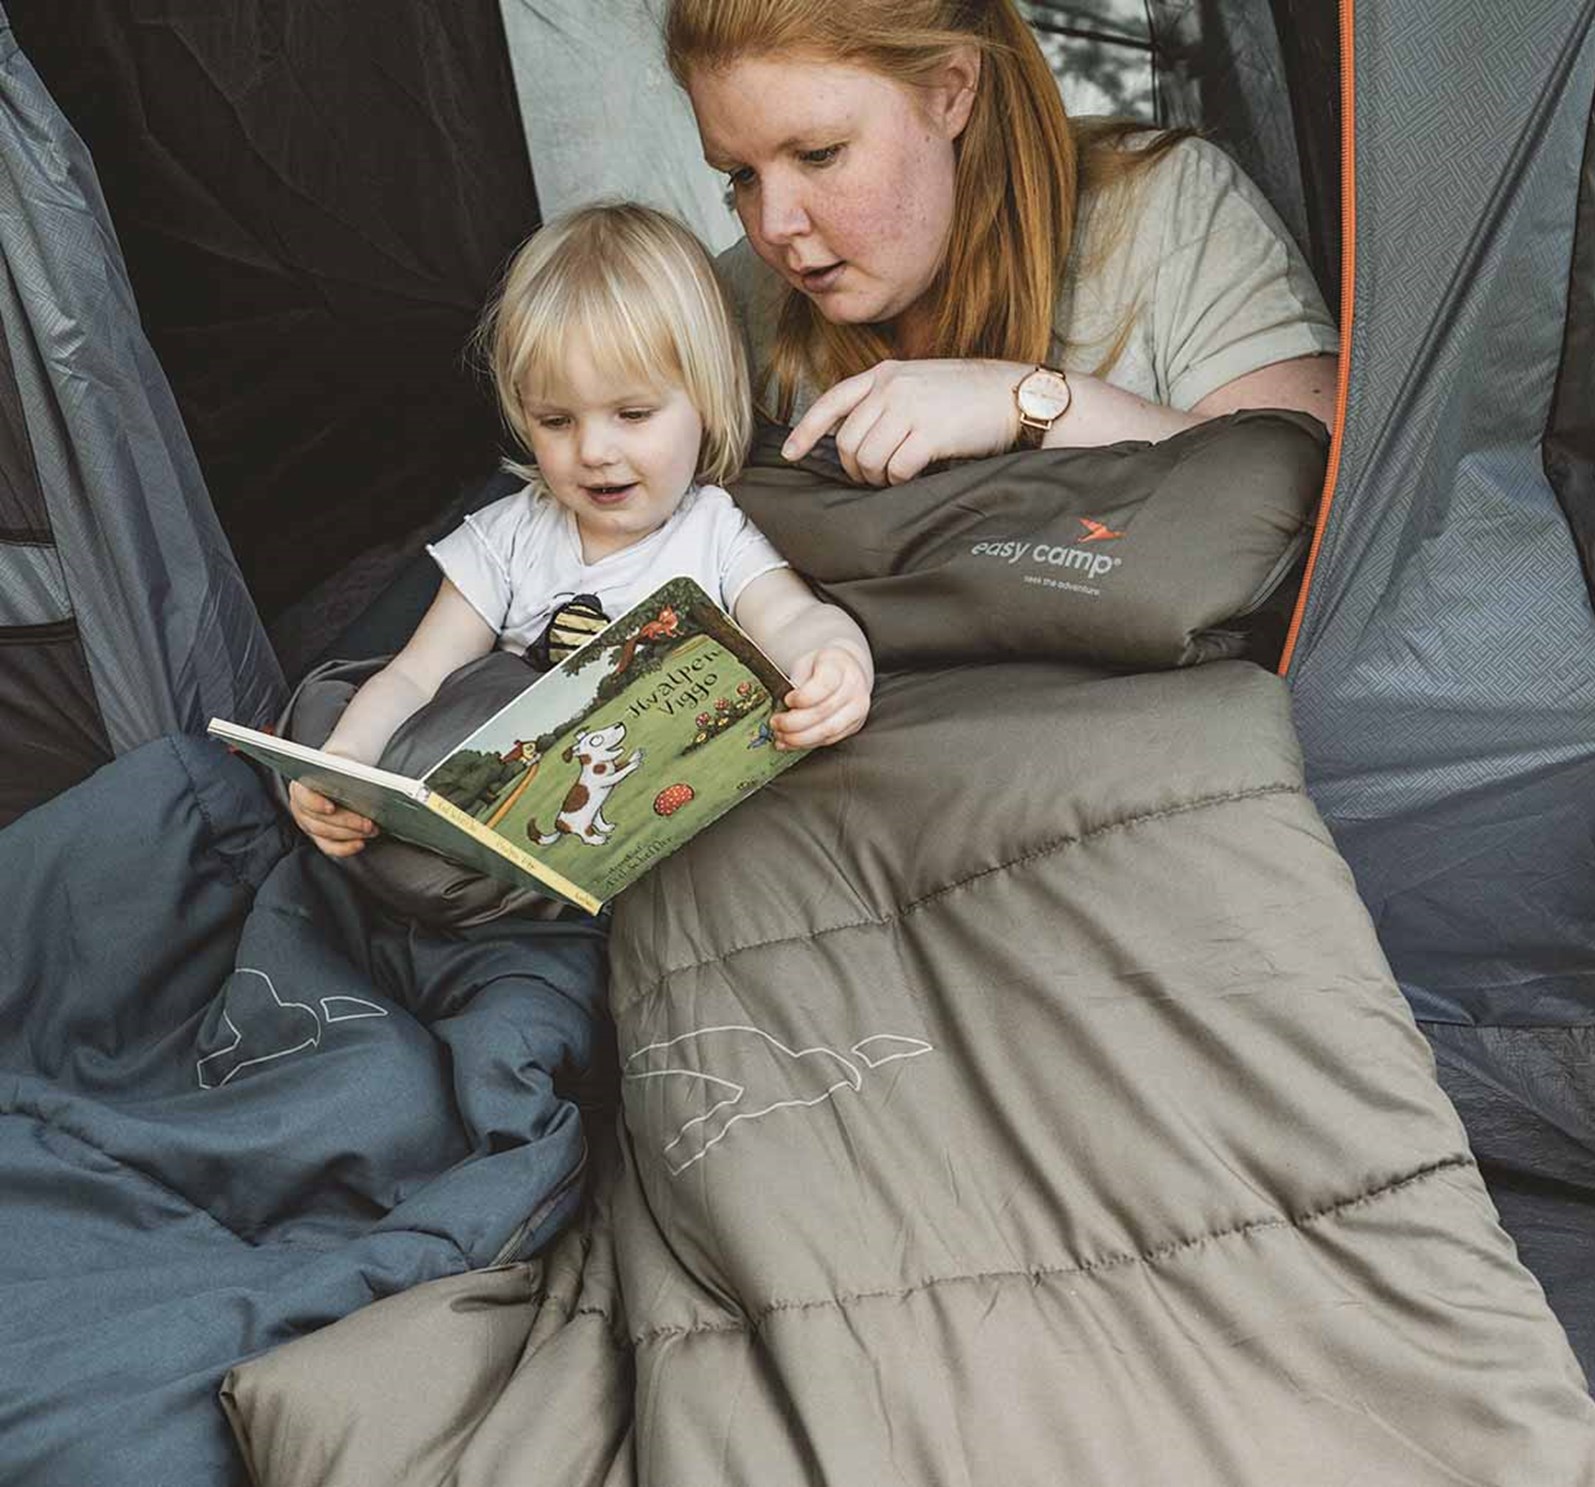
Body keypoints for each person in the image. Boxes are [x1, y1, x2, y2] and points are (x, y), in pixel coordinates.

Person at [289, 202, 874, 859]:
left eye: (632, 414)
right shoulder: (507, 538)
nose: (594, 451)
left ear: (706, 402)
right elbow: (416, 675)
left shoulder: (715, 531)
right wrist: (346, 760)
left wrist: (835, 665)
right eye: (557, 421)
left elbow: (794, 618)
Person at [664, 0, 1340, 487]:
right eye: (740, 175)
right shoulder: (729, 305)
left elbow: (1327, 504)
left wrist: (1026, 404)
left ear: (950, 91)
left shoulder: (1168, 212)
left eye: (818, 154)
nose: (773, 225)